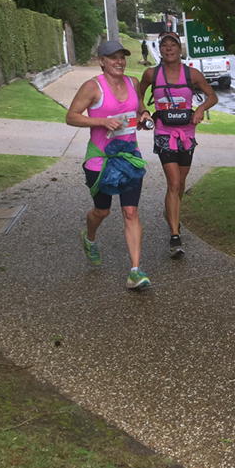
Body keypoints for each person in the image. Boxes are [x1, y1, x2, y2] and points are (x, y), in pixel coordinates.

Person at [66, 40, 153, 290]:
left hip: (129, 158)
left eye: (122, 57)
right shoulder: (92, 87)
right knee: (102, 211)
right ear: (102, 61)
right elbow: (71, 116)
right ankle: (89, 237)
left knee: (131, 212)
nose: (119, 62)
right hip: (100, 161)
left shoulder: (133, 82)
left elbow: (140, 107)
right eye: (113, 57)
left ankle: (135, 271)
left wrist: (144, 115)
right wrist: (102, 121)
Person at [137, 30, 217, 258]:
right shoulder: (151, 74)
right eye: (164, 45)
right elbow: (137, 96)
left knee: (180, 183)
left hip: (187, 133)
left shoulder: (192, 74)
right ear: (160, 49)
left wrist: (200, 109)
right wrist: (144, 112)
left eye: (173, 45)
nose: (169, 48)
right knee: (173, 182)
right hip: (164, 132)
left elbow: (212, 96)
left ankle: (170, 212)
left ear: (179, 49)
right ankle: (175, 236)